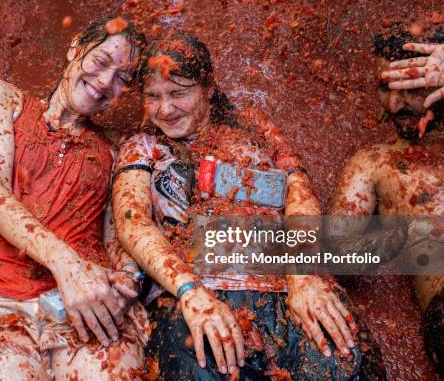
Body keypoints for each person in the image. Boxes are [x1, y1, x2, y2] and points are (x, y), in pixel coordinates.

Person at [112, 33, 384, 380]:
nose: (165, 109)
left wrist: (305, 277)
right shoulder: (142, 145)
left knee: (350, 361)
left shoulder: (254, 127)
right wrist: (190, 291)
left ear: (208, 89)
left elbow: (298, 194)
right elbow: (132, 223)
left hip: (288, 287)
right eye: (153, 97)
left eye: (179, 93)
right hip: (198, 295)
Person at [0, 17, 150, 380]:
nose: (107, 81)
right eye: (101, 61)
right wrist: (67, 265)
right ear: (76, 47)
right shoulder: (4, 99)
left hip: (83, 303)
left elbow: (116, 237)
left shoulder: (112, 149)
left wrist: (126, 281)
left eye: (123, 78)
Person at [330, 26, 443, 375]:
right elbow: (337, 257)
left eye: (407, 86)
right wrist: (404, 235)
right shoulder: (376, 161)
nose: (394, 104)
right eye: (384, 87)